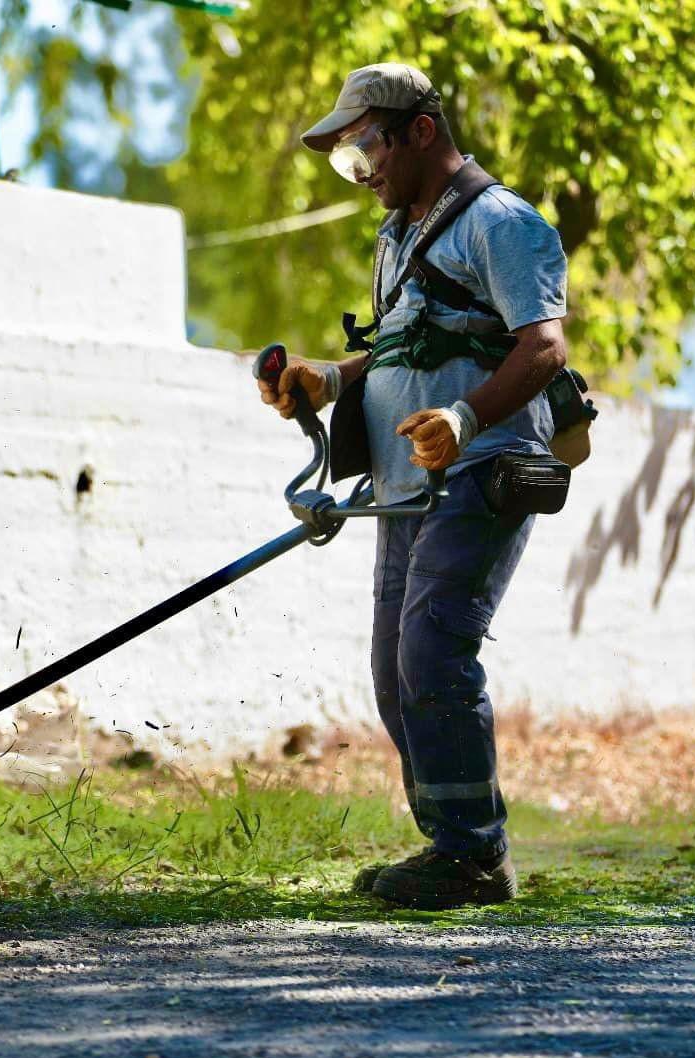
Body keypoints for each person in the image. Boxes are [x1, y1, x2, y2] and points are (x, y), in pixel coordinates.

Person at [255, 62, 570, 910]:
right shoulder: (398, 235)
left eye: (366, 145)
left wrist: (465, 419)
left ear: (420, 131)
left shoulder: (501, 223)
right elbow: (404, 347)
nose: (362, 169)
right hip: (404, 485)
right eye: (348, 156)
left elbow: (543, 348)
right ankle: (452, 847)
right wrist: (329, 379)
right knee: (395, 669)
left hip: (483, 470)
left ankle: (472, 856)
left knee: (433, 646)